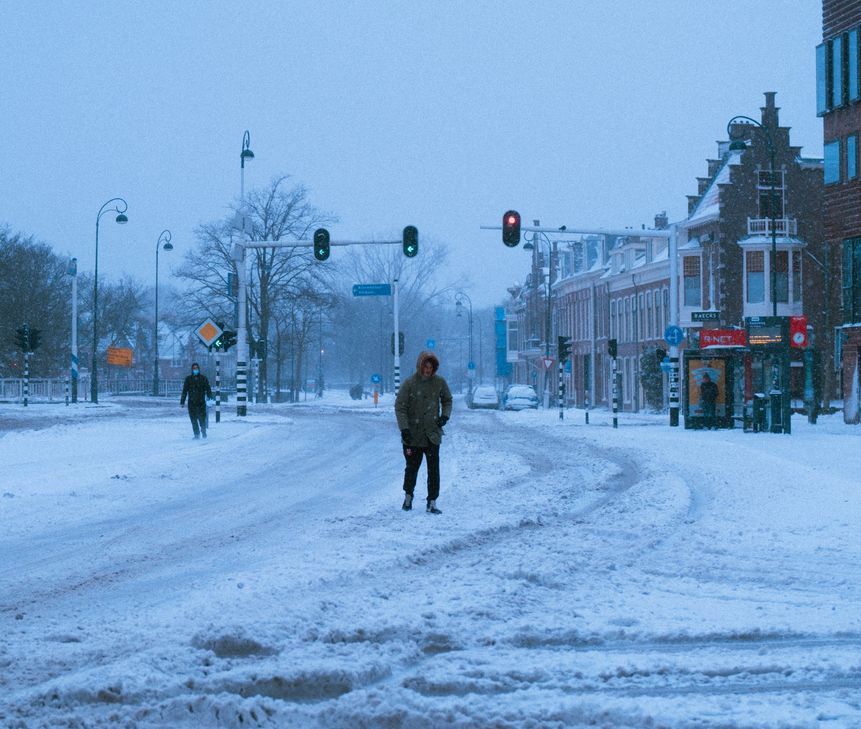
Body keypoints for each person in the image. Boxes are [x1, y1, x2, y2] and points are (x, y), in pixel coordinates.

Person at [395, 351, 453, 514]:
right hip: (412, 436)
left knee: (433, 469)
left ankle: (432, 501)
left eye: (431, 367)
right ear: (420, 366)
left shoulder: (439, 382)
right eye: (425, 366)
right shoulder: (410, 383)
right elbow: (400, 407)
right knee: (411, 468)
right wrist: (404, 429)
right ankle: (408, 497)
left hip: (432, 435)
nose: (428, 370)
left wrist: (444, 416)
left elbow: (447, 400)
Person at [180, 362, 212, 439]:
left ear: (199, 369)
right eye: (194, 368)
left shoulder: (203, 378)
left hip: (201, 402)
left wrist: (209, 397)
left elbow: (208, 389)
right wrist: (182, 402)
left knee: (202, 419)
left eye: (196, 368)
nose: (195, 370)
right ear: (192, 369)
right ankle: (196, 434)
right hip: (191, 403)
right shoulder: (188, 379)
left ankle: (203, 431)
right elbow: (184, 391)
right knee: (193, 419)